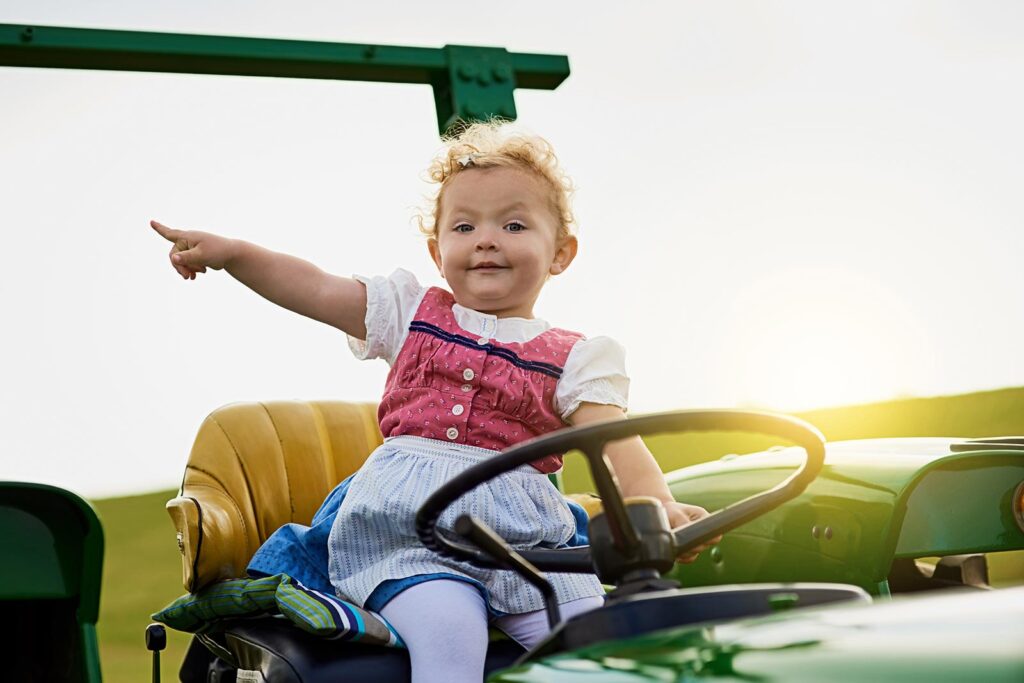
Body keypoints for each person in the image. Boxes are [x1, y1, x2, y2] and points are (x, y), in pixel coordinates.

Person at [152, 120, 716, 682]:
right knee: (450, 631)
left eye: (514, 224)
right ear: (437, 249)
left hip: (525, 543)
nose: (486, 239)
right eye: (465, 226)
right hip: (408, 533)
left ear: (561, 253)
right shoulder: (411, 314)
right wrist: (235, 255)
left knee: (594, 638)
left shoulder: (577, 359)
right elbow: (314, 287)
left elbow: (614, 438)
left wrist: (657, 505)